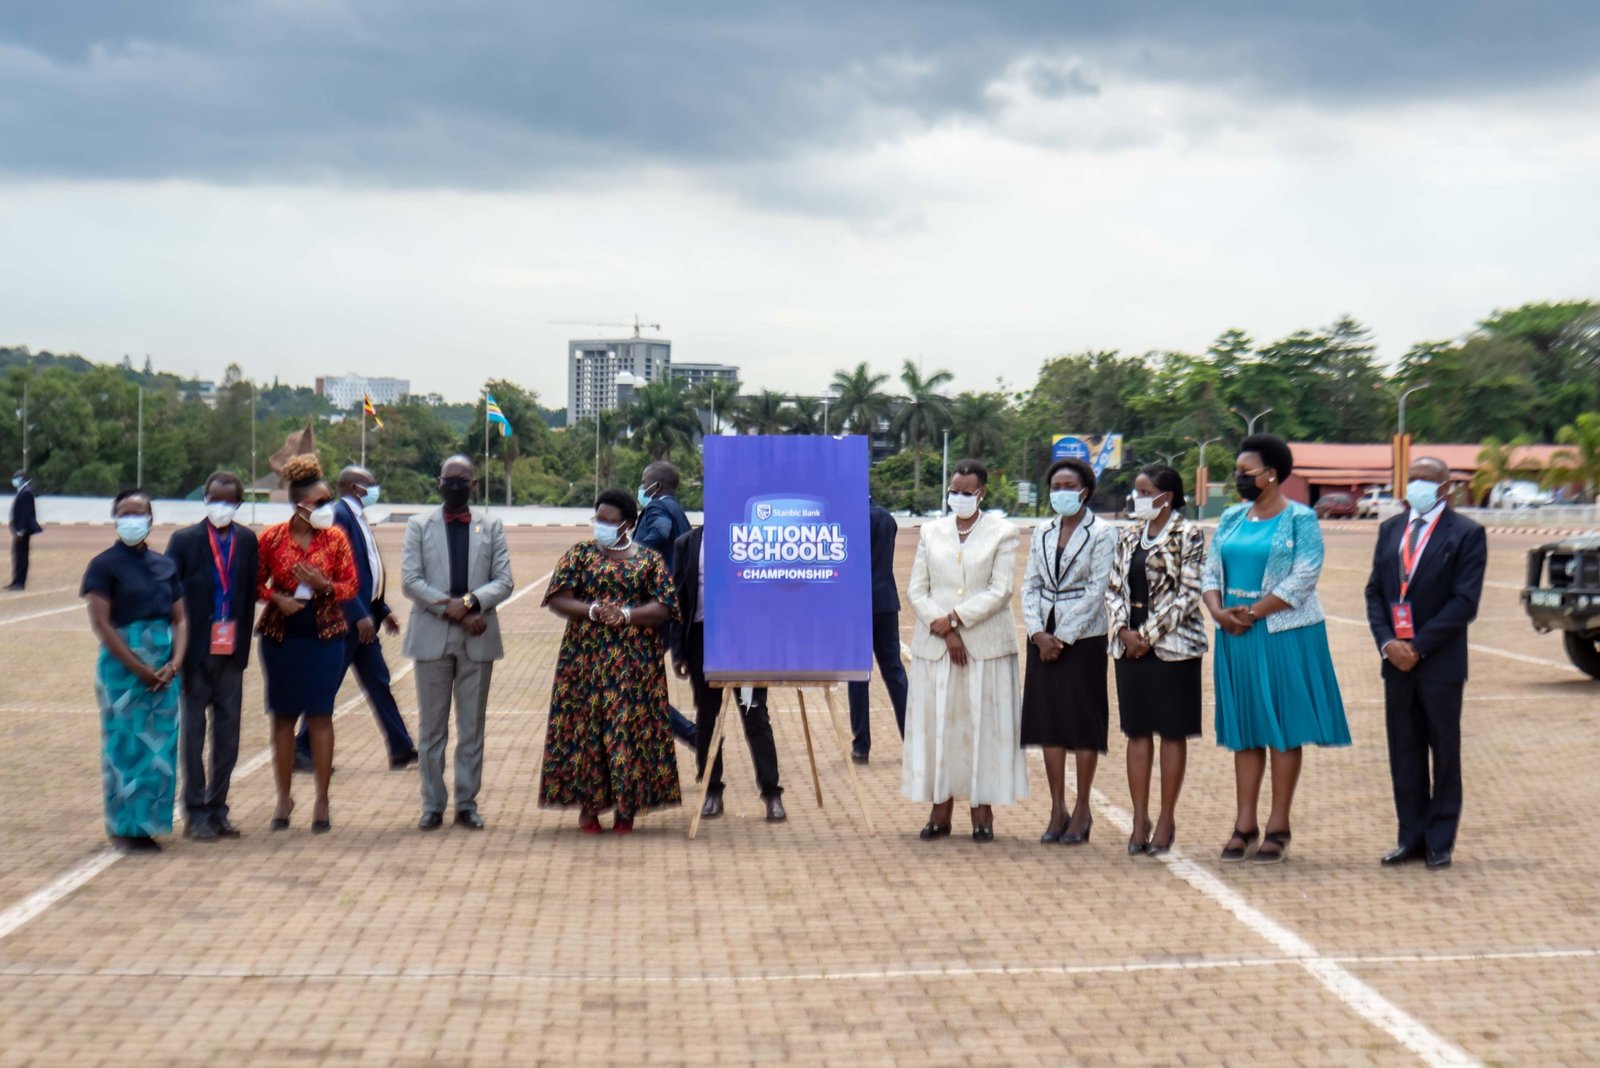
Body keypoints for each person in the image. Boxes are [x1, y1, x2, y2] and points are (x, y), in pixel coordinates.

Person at [1202, 434, 1349, 864]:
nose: (1239, 478)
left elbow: (1304, 576)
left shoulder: (1301, 519)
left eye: (1246, 472)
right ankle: (1243, 823)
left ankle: (1278, 825)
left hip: (1282, 632)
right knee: (1245, 730)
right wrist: (1218, 611)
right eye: (1236, 472)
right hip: (1234, 634)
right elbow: (1211, 568)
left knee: (1282, 728)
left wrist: (1252, 612)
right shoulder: (1231, 517)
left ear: (1271, 474)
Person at [1364, 457, 1487, 870]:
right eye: (1411, 478)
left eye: (1425, 480)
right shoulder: (1390, 529)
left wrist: (1417, 646)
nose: (1416, 485)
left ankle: (1440, 840)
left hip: (1438, 662)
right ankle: (1410, 837)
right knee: (1405, 751)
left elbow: (1464, 602)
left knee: (1444, 752)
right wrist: (1387, 643)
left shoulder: (1467, 533)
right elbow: (1374, 594)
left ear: (1445, 487)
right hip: (1395, 661)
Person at [540, 489, 681, 833]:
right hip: (584, 661)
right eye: (597, 519)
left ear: (629, 525)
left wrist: (627, 615)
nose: (601, 525)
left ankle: (626, 808)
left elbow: (664, 607)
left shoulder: (648, 561)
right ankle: (589, 809)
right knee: (586, 730)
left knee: (627, 730)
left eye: (609, 520)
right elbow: (558, 598)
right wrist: (591, 610)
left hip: (635, 664)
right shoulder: (580, 555)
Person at [903, 460, 1026, 841]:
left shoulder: (1003, 533)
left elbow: (1001, 589)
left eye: (966, 492)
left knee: (983, 728)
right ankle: (940, 810)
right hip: (937, 647)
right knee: (938, 725)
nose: (958, 497)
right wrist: (943, 628)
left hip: (985, 646)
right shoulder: (931, 532)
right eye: (953, 491)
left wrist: (956, 619)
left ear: (982, 493)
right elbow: (916, 590)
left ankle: (982, 811)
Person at [401, 456, 514, 831]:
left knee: (471, 729)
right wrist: (454, 611)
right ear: (438, 482)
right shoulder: (418, 526)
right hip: (433, 636)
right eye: (449, 478)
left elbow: (504, 581)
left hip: (477, 637)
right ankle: (432, 804)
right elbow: (410, 581)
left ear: (474, 484)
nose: (455, 484)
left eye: (462, 479)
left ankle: (467, 803)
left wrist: (468, 604)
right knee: (431, 730)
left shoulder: (492, 526)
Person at [1106, 465, 1207, 856]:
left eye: (1145, 491)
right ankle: (1139, 817)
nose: (1138, 498)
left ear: (1166, 496)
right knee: (1137, 732)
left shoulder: (1190, 533)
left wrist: (1147, 635)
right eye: (1137, 491)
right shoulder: (1129, 534)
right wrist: (1123, 631)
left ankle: (1166, 817)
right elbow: (1113, 587)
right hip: (1127, 645)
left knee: (1172, 731)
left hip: (1174, 646)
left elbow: (1189, 592)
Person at [255, 454, 358, 834]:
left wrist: (324, 585)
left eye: (327, 499)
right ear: (298, 504)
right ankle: (283, 797)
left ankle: (321, 799)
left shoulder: (335, 539)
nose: (326, 508)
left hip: (325, 635)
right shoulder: (271, 539)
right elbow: (255, 581)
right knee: (282, 717)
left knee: (320, 715)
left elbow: (351, 585)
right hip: (282, 637)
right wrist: (274, 597)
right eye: (319, 502)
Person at [82, 490, 187, 853]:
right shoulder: (103, 566)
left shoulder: (165, 566)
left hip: (164, 665)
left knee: (160, 748)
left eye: (139, 513)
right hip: (123, 667)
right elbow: (102, 624)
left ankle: (150, 824)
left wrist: (174, 663)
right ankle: (124, 827)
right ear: (114, 516)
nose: (132, 519)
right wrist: (138, 667)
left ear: (151, 519)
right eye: (125, 512)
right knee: (123, 745)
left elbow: (180, 618)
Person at [296, 465, 418, 772]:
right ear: (354, 487)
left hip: (363, 620)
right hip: (345, 620)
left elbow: (365, 573)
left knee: (379, 683)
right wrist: (358, 614)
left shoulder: (359, 518)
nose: (375, 488)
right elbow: (333, 573)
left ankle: (401, 748)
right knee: (328, 684)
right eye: (370, 484)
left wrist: (381, 610)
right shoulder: (339, 517)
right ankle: (301, 747)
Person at [1020, 457, 1116, 845]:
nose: (1060, 492)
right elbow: (1029, 585)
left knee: (1082, 724)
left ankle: (1082, 810)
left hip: (1084, 638)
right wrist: (1039, 633)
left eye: (1068, 486)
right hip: (1043, 637)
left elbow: (1098, 590)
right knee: (1049, 724)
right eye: (1055, 486)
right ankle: (1057, 807)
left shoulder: (1103, 533)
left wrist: (1064, 637)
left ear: (1085, 491)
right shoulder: (1042, 531)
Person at [163, 471, 260, 841]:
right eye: (214, 499)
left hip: (231, 651)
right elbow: (170, 596)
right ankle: (194, 811)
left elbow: (249, 594)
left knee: (228, 735)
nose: (221, 506)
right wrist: (179, 652)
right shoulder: (185, 541)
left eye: (229, 501)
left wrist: (242, 651)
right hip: (195, 651)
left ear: (238, 503)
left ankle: (218, 807)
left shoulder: (247, 541)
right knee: (193, 736)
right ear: (204, 498)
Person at [670, 522, 786, 822]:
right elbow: (679, 598)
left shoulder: (755, 538)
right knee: (708, 718)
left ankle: (772, 794)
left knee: (756, 715)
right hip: (703, 641)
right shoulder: (687, 543)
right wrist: (679, 651)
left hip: (746, 644)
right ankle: (712, 789)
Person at [634, 460, 698, 747]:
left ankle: (695, 735)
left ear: (655, 486)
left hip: (660, 609)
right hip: (676, 608)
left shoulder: (658, 508)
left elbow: (658, 532)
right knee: (638, 681)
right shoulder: (679, 511)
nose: (641, 487)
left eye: (643, 481)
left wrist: (628, 555)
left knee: (636, 682)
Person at [846, 497, 909, 764]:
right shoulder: (887, 518)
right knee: (894, 671)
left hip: (857, 603)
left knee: (859, 675)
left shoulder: (847, 519)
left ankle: (862, 746)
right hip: (885, 601)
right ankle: (913, 740)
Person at [8, 469, 42, 591]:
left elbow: (26, 514)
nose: (14, 480)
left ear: (22, 478)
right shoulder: (22, 491)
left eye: (16, 477)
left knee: (22, 556)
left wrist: (20, 531)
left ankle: (20, 583)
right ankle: (16, 581)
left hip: (22, 531)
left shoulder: (26, 492)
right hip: (18, 530)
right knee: (17, 555)